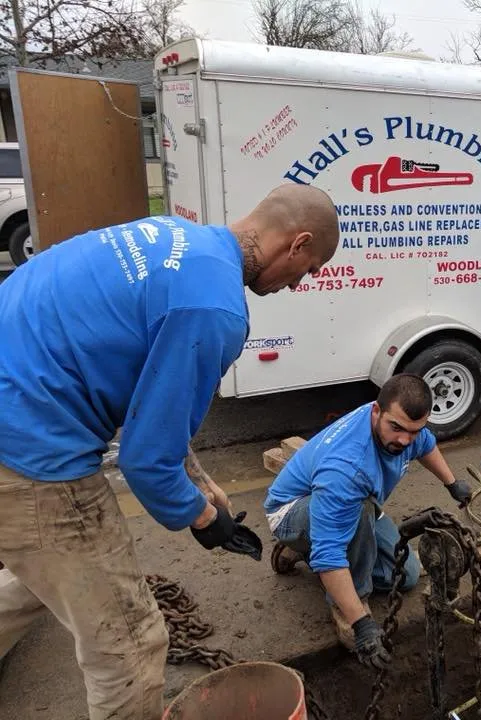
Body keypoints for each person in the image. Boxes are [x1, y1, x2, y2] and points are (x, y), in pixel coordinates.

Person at [0, 184, 340, 720]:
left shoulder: (182, 241)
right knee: (131, 646)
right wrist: (205, 519)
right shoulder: (216, 308)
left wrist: (205, 486)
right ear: (296, 244)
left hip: (13, 402)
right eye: (309, 268)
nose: (300, 283)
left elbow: (152, 408)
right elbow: (145, 461)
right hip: (29, 450)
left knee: (39, 574)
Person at [264, 373, 473, 669]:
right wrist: (361, 625)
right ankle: (345, 600)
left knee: (406, 576)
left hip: (348, 503)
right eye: (397, 428)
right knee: (350, 520)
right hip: (290, 512)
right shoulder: (347, 470)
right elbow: (329, 554)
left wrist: (451, 483)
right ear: (376, 411)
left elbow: (424, 444)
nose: (404, 440)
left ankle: (307, 547)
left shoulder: (402, 425)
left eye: (413, 431)